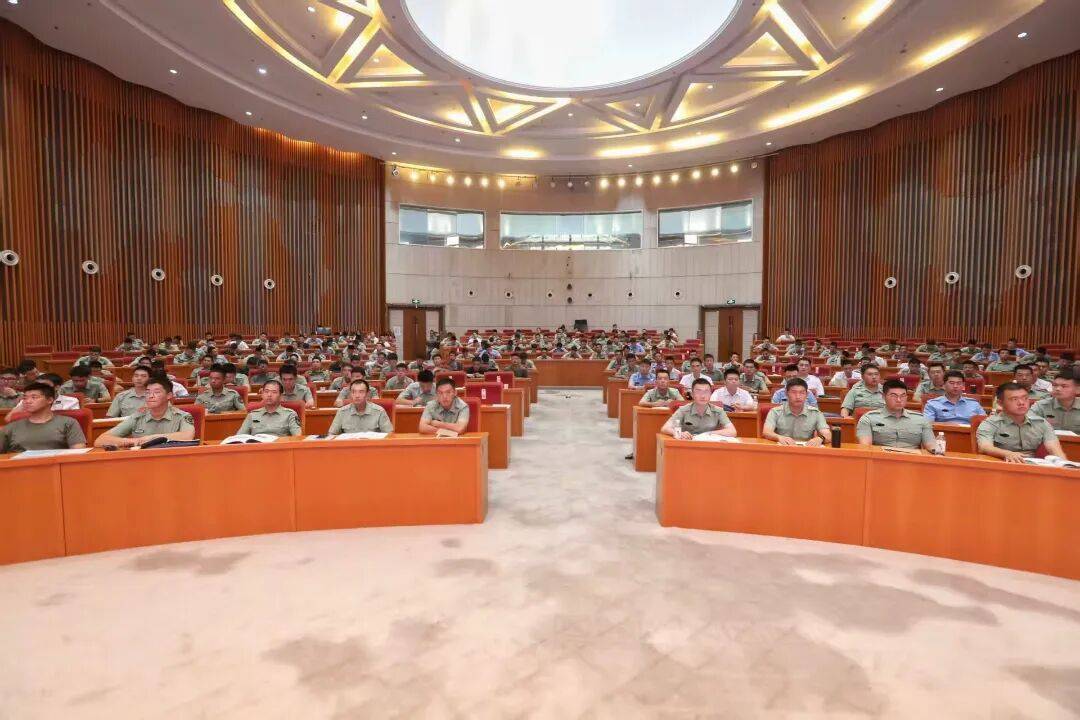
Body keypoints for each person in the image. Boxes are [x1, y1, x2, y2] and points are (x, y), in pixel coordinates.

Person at [94, 376, 196, 448]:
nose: (151, 396)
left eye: (157, 392)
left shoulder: (182, 416)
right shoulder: (137, 417)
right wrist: (130, 441)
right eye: (147, 392)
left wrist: (152, 439)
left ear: (169, 396)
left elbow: (187, 436)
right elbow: (100, 440)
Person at [976, 383, 1064, 463]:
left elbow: (1055, 449)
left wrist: (1064, 464)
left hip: (1033, 466)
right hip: (1002, 463)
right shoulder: (990, 423)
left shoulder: (1041, 423)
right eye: (1014, 399)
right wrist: (1007, 454)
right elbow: (985, 447)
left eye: (1025, 398)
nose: (1021, 403)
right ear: (1000, 403)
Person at [0, 382, 87, 453]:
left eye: (34, 397)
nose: (28, 401)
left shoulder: (68, 423)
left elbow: (78, 453)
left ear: (50, 400)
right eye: (25, 398)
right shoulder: (12, 427)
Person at [856, 379, 937, 451]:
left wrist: (936, 450)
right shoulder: (869, 418)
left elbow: (931, 445)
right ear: (883, 397)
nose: (899, 400)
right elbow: (865, 447)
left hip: (912, 460)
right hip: (881, 459)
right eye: (894, 396)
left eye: (903, 396)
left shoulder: (921, 419)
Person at [762, 378, 829, 446]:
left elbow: (828, 434)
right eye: (794, 392)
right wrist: (779, 437)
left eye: (802, 393)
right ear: (786, 393)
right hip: (782, 448)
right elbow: (766, 432)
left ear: (807, 394)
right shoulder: (775, 412)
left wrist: (820, 438)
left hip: (805, 449)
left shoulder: (816, 413)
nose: (798, 396)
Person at [661, 378, 736, 439]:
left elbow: (732, 431)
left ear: (710, 394)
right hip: (687, 445)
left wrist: (709, 433)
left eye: (706, 392)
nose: (703, 396)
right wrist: (678, 433)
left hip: (709, 446)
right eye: (698, 392)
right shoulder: (683, 410)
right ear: (692, 394)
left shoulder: (718, 411)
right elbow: (665, 428)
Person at [236, 380, 302, 437]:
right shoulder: (252, 415)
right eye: (266, 391)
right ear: (262, 394)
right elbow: (239, 437)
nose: (269, 395)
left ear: (281, 396)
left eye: (274, 392)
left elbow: (298, 437)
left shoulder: (290, 415)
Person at [327, 379, 393, 435]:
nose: (357, 396)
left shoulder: (379, 411)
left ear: (367, 394)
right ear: (350, 394)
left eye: (361, 392)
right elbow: (331, 435)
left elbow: (389, 435)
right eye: (353, 392)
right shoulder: (342, 412)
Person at [922, 371, 986, 424]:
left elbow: (985, 424)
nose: (955, 386)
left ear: (963, 386)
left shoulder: (974, 404)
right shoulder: (932, 404)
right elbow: (927, 425)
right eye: (952, 383)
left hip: (969, 434)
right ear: (944, 385)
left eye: (959, 383)